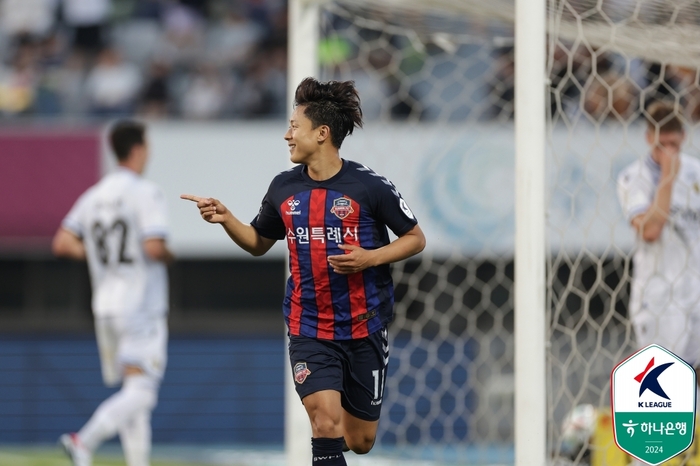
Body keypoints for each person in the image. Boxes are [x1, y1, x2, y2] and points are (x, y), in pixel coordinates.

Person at [182, 77, 426, 465]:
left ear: (322, 133)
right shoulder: (283, 188)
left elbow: (415, 238)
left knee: (360, 441)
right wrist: (227, 219)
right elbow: (258, 242)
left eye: (295, 127)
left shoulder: (369, 186)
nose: (287, 135)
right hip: (309, 325)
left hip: (364, 325)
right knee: (324, 422)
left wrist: (369, 258)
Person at [52, 120, 173, 466]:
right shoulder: (145, 192)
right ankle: (83, 441)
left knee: (133, 391)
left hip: (105, 306)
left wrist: (94, 254)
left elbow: (62, 243)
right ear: (137, 149)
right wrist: (170, 255)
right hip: (140, 303)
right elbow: (153, 247)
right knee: (144, 393)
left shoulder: (93, 195)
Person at [617, 101, 700, 371]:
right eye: (660, 145)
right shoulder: (634, 178)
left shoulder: (696, 172)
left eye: (673, 145)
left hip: (696, 291)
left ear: (684, 137)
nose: (668, 153)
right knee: (665, 380)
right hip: (659, 298)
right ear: (648, 138)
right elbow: (650, 231)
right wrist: (667, 177)